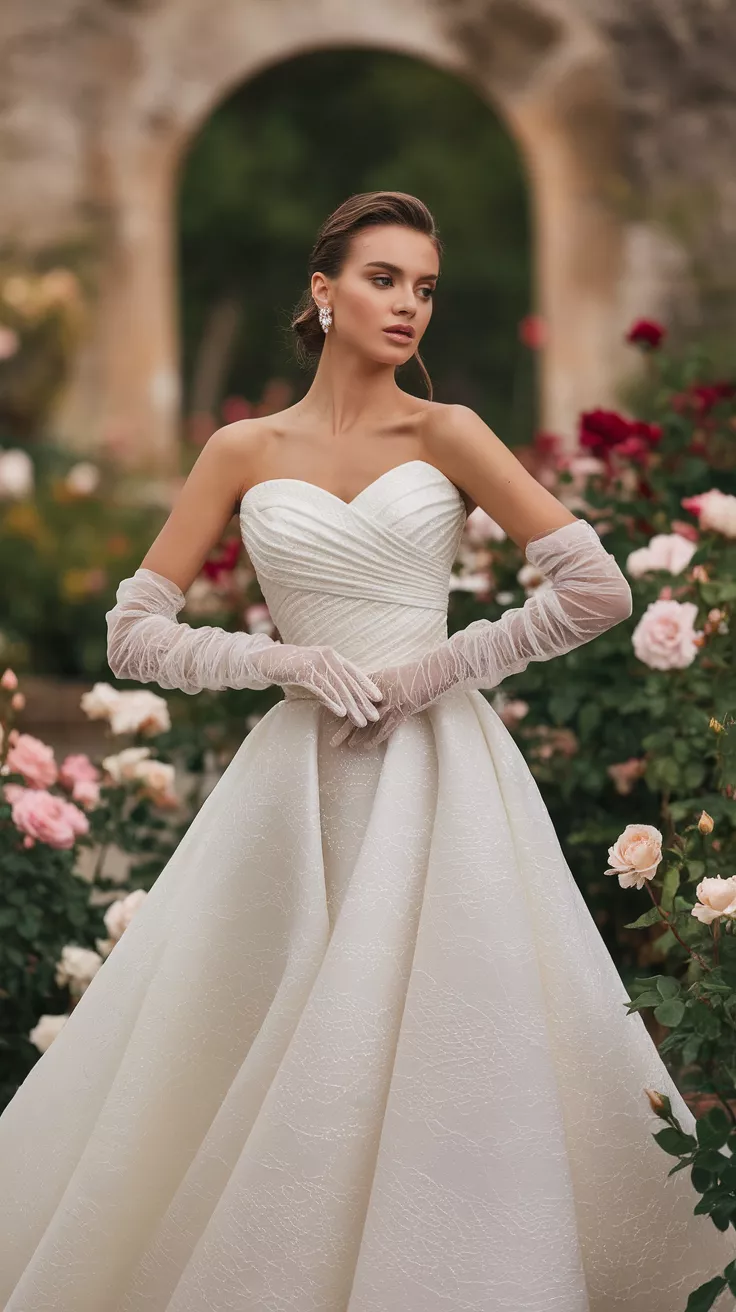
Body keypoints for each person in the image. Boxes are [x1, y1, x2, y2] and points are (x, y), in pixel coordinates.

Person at [0, 190, 733, 1312]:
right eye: (384, 277)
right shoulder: (243, 448)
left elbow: (598, 588)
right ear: (323, 290)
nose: (407, 304)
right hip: (295, 785)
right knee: (265, 1024)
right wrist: (282, 664)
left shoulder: (446, 433)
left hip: (440, 775)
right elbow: (132, 632)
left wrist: (430, 671)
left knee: (448, 1032)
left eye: (425, 287)